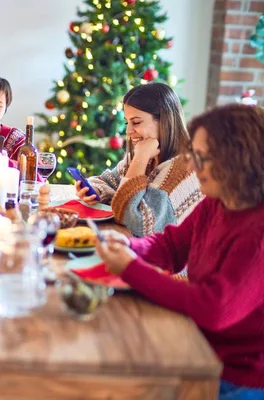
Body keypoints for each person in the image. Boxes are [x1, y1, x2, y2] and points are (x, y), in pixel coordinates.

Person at [96, 104, 264, 399]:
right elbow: (172, 245)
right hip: (198, 344)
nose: (190, 168)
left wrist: (131, 268)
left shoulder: (257, 231)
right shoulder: (219, 201)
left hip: (235, 375)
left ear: (238, 160)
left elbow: (215, 309)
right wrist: (130, 246)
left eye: (200, 158)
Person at [76, 82, 202, 237]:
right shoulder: (147, 155)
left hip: (168, 260)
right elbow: (105, 181)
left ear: (164, 121)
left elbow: (139, 224)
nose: (128, 131)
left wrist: (140, 158)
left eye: (136, 122)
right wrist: (96, 191)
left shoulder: (185, 168)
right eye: (126, 122)